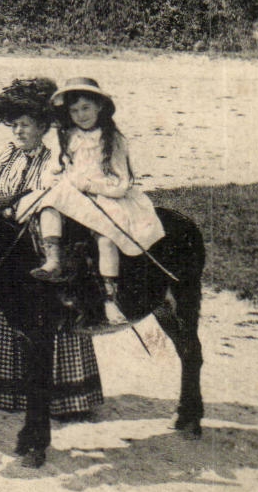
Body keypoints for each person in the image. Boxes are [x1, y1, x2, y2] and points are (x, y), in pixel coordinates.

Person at [0, 78, 103, 416]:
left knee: (47, 312)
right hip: (5, 248)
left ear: (43, 127)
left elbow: (43, 196)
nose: (18, 131)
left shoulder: (53, 158)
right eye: (14, 124)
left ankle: (63, 395)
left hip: (37, 244)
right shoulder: (9, 153)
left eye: (26, 125)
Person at [30, 78, 164, 327]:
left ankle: (110, 300)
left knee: (106, 238)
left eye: (86, 108)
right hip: (72, 195)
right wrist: (54, 178)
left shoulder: (113, 140)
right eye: (74, 110)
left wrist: (91, 186)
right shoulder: (66, 137)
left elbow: (122, 182)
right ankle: (53, 259)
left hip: (105, 197)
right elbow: (53, 168)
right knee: (48, 205)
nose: (80, 115)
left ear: (99, 107)